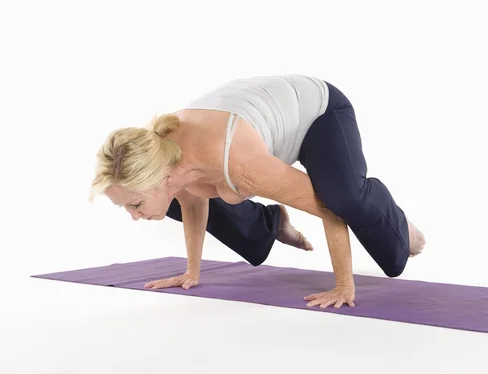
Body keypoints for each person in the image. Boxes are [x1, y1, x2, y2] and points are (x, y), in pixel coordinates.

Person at [89, 74, 426, 309]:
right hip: (250, 120)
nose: (134, 215)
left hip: (319, 112)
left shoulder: (237, 162)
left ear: (160, 178)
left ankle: (388, 214)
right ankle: (270, 223)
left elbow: (327, 208)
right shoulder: (167, 162)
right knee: (170, 205)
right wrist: (193, 273)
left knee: (344, 199)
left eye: (133, 203)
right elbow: (192, 205)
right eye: (126, 208)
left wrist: (343, 285)